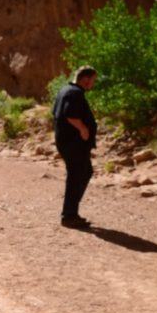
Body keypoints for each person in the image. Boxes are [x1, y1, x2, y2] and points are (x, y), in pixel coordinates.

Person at [52, 66, 98, 228]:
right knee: (76, 176)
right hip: (73, 143)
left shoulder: (65, 90)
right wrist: (83, 129)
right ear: (85, 79)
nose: (93, 84)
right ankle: (69, 215)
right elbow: (70, 115)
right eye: (93, 80)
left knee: (84, 172)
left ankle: (71, 210)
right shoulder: (74, 93)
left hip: (69, 143)